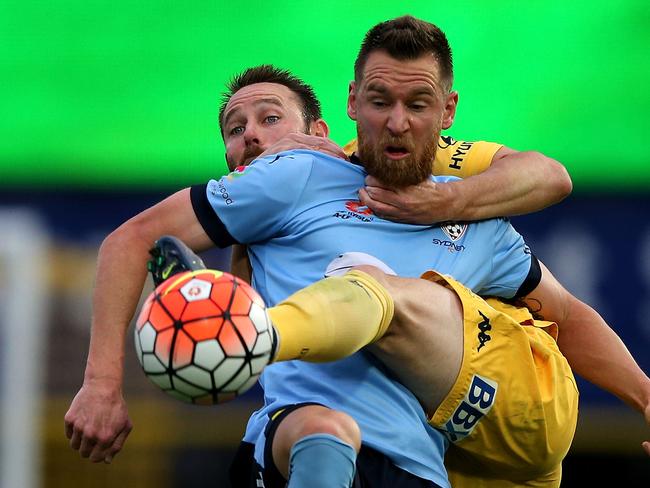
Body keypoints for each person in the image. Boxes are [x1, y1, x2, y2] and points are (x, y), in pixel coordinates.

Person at [62, 16, 649, 488]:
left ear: (446, 113)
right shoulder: (293, 178)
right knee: (328, 422)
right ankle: (249, 333)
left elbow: (566, 312)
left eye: (417, 105)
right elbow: (131, 239)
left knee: (381, 296)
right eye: (378, 101)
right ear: (351, 104)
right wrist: (101, 385)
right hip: (300, 442)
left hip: (421, 466)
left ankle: (246, 331)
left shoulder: (477, 220)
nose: (395, 122)